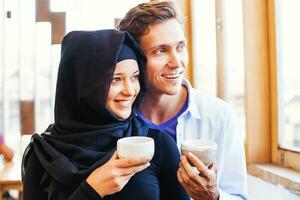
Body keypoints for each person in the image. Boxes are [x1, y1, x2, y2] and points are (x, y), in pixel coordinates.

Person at [22, 29, 189, 200]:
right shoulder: (44, 155)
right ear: (83, 85)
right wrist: (92, 190)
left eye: (134, 77)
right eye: (115, 79)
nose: (130, 90)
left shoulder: (156, 145)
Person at [117, 1, 248, 200]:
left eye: (180, 47)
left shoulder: (219, 116)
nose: (177, 62)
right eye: (160, 50)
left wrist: (214, 196)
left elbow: (240, 196)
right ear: (135, 58)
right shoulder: (116, 116)